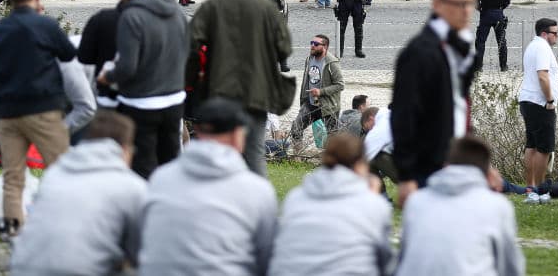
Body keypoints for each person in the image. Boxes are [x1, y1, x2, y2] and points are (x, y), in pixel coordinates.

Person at [0, 0, 77, 230]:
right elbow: (68, 54)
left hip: (8, 112)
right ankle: (63, 227)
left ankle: (15, 232)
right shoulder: (45, 25)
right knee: (61, 169)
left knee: (13, 177)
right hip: (43, 107)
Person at [137, 98, 277, 276]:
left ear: (198, 132)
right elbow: (268, 258)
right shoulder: (256, 191)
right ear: (237, 136)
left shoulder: (161, 178)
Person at [190, 0, 294, 175]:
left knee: (221, 149)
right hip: (256, 91)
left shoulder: (212, 7)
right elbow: (283, 47)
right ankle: (258, 201)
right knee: (255, 152)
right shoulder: (266, 7)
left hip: (221, 89)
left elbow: (193, 48)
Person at [10, 111, 147, 276]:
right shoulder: (131, 185)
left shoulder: (55, 172)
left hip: (23, 268)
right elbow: (140, 252)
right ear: (125, 150)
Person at [391, 0, 480, 207]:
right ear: (438, 4)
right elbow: (404, 114)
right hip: (428, 167)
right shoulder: (420, 52)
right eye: (460, 4)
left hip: (457, 163)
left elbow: (460, 106)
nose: (467, 11)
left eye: (471, 3)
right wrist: (407, 175)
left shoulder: (460, 47)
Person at [100, 0, 189, 179]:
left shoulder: (132, 16)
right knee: (171, 162)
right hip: (174, 98)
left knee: (142, 166)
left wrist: (107, 76)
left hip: (141, 102)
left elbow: (128, 67)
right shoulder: (176, 11)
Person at [395, 136, 524, 276]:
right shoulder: (497, 206)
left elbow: (403, 258)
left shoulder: (416, 201)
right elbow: (510, 266)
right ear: (487, 171)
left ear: (446, 165)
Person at [268, 133, 393, 276]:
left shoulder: (295, 197)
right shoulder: (373, 204)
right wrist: (372, 198)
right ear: (359, 165)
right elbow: (384, 260)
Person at [518, 18, 558, 201]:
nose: (557, 36)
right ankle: (539, 189)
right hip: (540, 102)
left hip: (528, 100)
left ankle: (530, 187)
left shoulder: (532, 46)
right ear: (545, 33)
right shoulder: (542, 47)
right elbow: (543, 75)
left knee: (532, 145)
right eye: (554, 33)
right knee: (544, 147)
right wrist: (550, 99)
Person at [290, 34, 344, 143]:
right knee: (296, 128)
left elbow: (340, 85)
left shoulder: (332, 63)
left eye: (316, 44)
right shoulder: (309, 59)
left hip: (327, 106)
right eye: (311, 43)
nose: (312, 46)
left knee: (332, 136)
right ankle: (297, 156)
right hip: (310, 104)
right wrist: (304, 99)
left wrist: (321, 91)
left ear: (325, 47)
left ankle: (331, 158)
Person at [475, 0, 510, 71]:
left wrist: (481, 8)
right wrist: (499, 9)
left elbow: (476, 2)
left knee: (480, 41)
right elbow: (507, 2)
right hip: (499, 14)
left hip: (485, 14)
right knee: (501, 41)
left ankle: (478, 66)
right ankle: (503, 66)